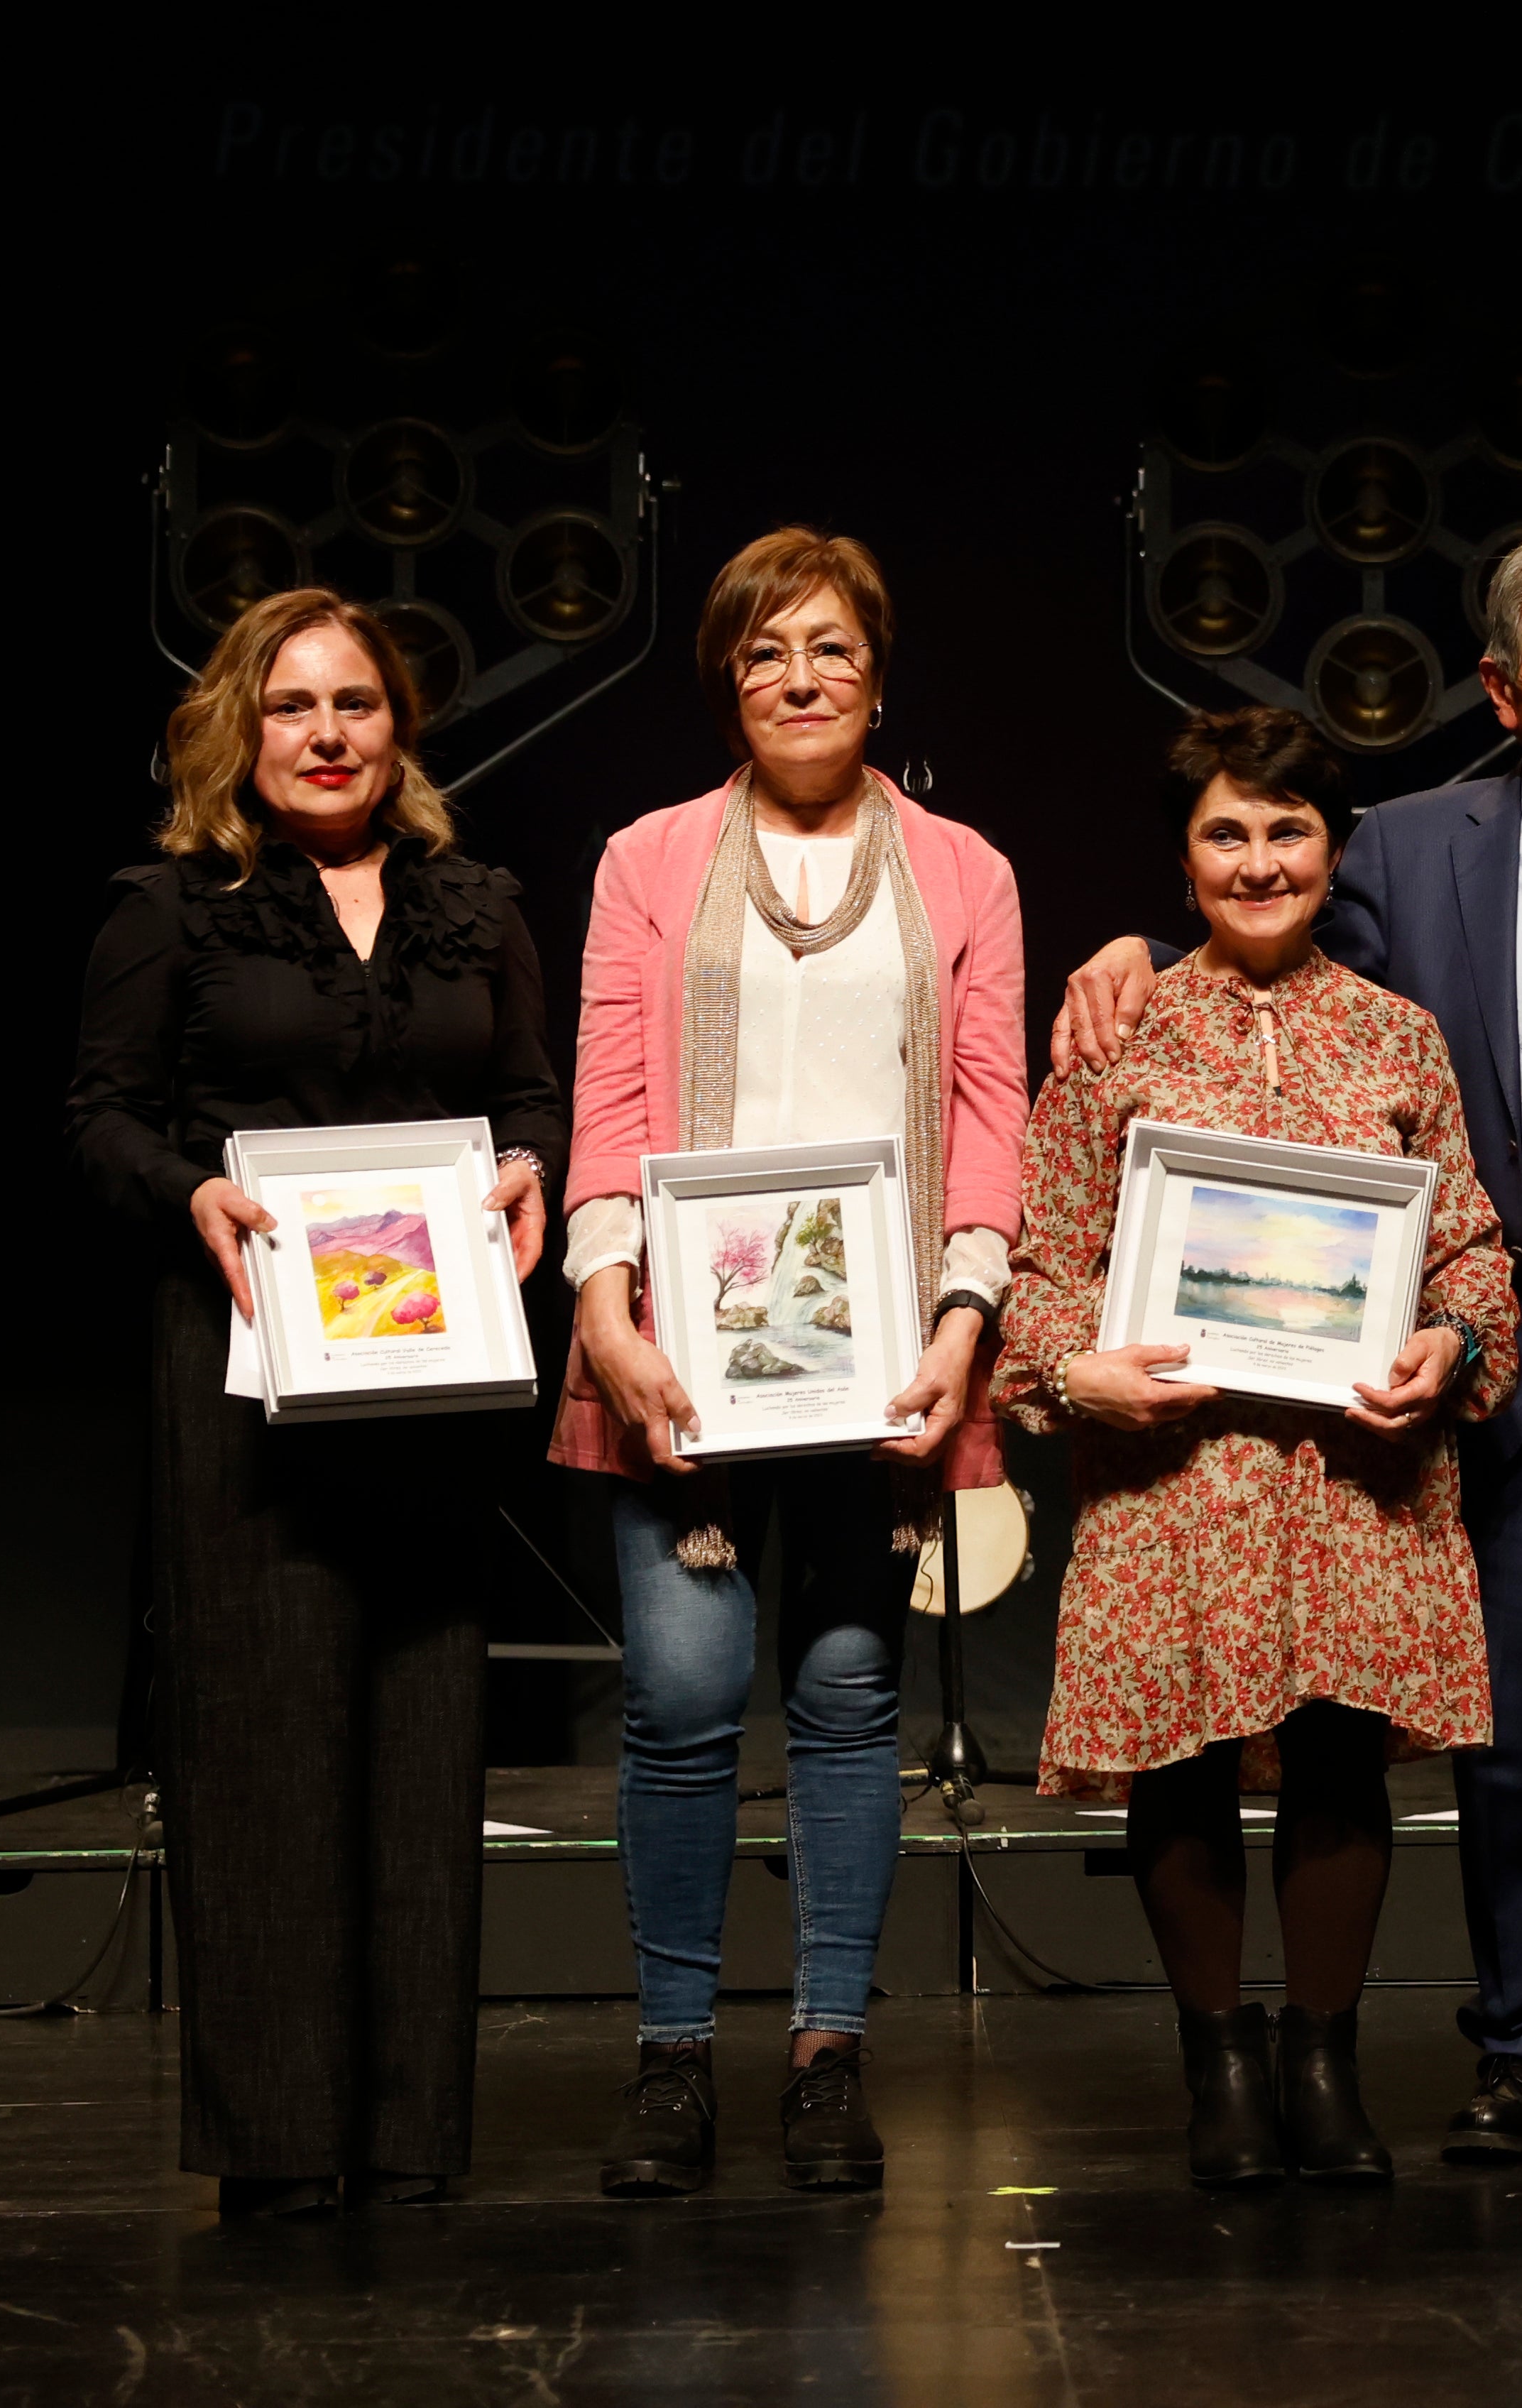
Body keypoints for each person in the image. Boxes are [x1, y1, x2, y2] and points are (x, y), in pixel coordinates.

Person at [1052, 529, 1522, 2160]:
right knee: (1505, 1717)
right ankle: (1519, 2043)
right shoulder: (1410, 841)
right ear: (1502, 683)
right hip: (1486, 1329)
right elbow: (1251, 933)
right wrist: (1120, 951)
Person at [70, 589, 562, 2217]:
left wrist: (527, 1171)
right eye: (294, 707)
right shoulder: (174, 908)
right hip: (246, 1381)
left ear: (398, 729)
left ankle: (411, 2133)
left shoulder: (476, 902)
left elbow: (528, 1092)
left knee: (426, 1746)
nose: (331, 733)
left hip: (433, 1379)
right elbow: (104, 1116)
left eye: (357, 703)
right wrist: (194, 1193)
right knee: (265, 1750)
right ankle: (281, 2147)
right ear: (242, 730)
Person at [554, 528, 1027, 2198]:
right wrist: (606, 1308)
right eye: (766, 653)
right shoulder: (647, 859)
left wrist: (969, 1316)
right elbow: (608, 1091)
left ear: (877, 673)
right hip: (684, 1355)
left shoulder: (965, 869)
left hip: (884, 1357)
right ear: (729, 683)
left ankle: (829, 2052)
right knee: (682, 1701)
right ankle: (674, 2059)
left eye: (828, 648)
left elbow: (990, 1111)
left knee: (843, 1699)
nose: (802, 678)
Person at [995, 708, 1518, 2187]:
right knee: (1184, 1762)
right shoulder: (1123, 1031)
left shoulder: (1397, 1035)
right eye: (1229, 832)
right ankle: (1221, 2066)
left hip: (1356, 1469)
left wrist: (1452, 1345)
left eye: (1288, 832)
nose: (1260, 859)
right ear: (1184, 859)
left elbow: (1468, 1249)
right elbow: (1046, 1262)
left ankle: (1324, 2059)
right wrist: (1069, 1368)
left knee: (1344, 1751)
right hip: (1181, 1468)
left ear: (1334, 852)